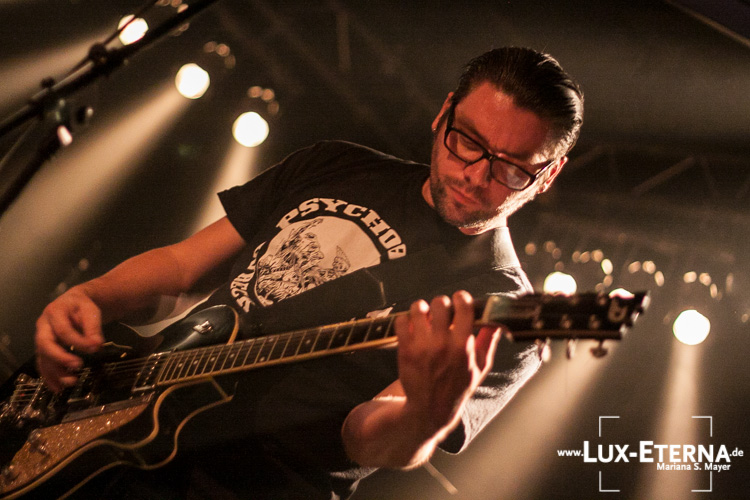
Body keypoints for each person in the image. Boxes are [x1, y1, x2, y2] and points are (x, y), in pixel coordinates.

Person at [33, 47, 583, 499]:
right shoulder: (335, 163)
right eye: (467, 141)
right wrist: (93, 297)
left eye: (511, 168)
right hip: (116, 423)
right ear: (444, 113)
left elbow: (365, 438)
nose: (475, 175)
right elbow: (181, 268)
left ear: (549, 173)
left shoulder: (503, 313)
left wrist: (425, 415)